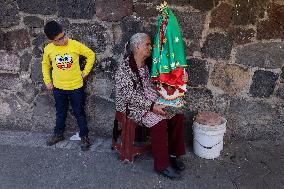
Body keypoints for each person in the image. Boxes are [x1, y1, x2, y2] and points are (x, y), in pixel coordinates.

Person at [115, 33, 187, 179]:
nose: (151, 47)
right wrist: (152, 106)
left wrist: (182, 77)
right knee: (159, 122)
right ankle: (161, 165)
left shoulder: (150, 65)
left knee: (177, 116)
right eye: (147, 45)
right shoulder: (125, 69)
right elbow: (129, 96)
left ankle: (173, 154)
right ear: (137, 47)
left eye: (150, 44)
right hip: (133, 106)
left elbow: (167, 77)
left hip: (153, 99)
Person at [42, 20, 95, 151]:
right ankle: (58, 134)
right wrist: (47, 81)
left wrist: (85, 73)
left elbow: (91, 55)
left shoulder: (74, 45)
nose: (64, 39)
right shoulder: (48, 49)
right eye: (59, 39)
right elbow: (45, 65)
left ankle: (84, 137)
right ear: (51, 40)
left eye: (64, 35)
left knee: (79, 112)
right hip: (59, 88)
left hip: (76, 87)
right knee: (60, 112)